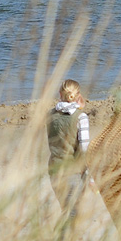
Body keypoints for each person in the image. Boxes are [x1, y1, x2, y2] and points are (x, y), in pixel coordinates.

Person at [48, 78, 91, 222]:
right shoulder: (81, 117)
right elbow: (84, 150)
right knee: (72, 214)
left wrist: (77, 107)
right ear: (78, 95)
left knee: (66, 210)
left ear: (60, 94)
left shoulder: (50, 115)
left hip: (54, 169)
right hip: (73, 172)